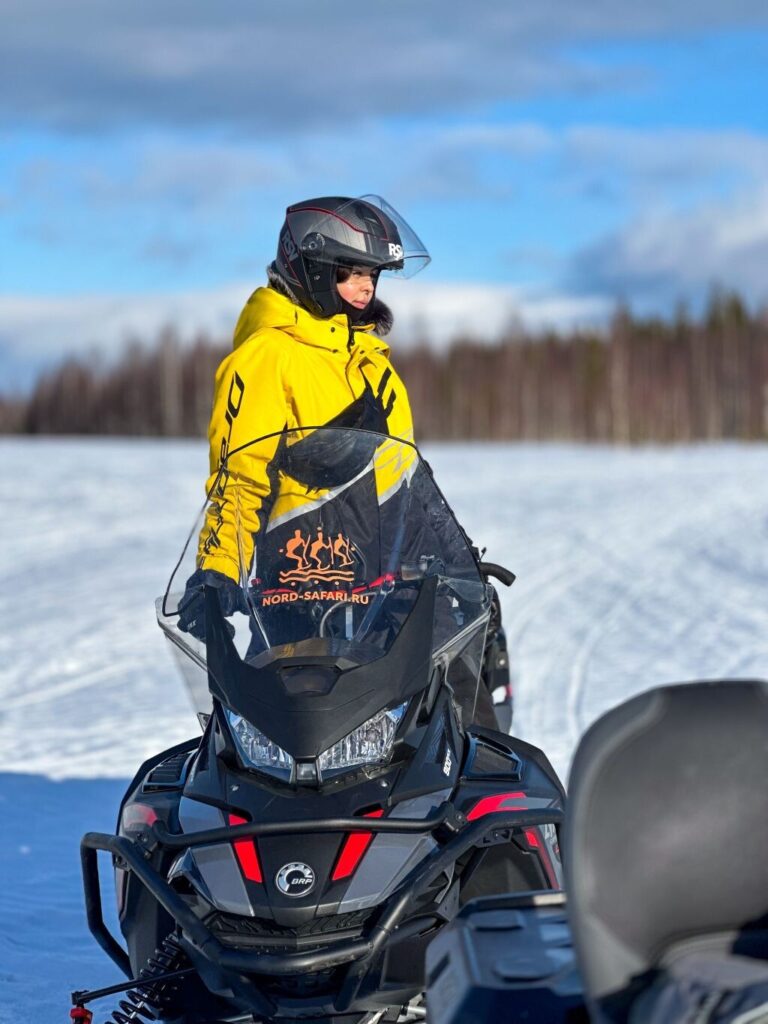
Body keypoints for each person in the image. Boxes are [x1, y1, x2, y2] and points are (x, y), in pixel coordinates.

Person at [178, 193, 500, 728]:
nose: (365, 287)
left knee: (466, 722)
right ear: (310, 269)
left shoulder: (374, 364)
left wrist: (459, 560)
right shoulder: (267, 358)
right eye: (350, 273)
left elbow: (409, 479)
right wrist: (216, 571)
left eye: (371, 275)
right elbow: (239, 482)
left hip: (396, 590)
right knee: (287, 737)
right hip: (302, 589)